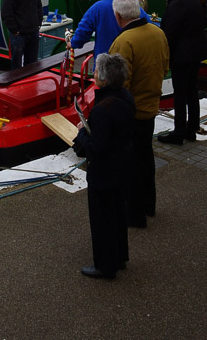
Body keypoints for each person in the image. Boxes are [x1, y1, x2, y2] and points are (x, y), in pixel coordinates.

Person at [108, 0, 169, 228]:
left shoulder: (124, 41)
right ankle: (148, 204)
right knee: (145, 158)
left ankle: (134, 215)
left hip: (131, 112)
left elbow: (119, 85)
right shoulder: (158, 32)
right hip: (150, 107)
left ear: (118, 15)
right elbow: (164, 67)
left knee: (129, 164)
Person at [72, 53, 135, 279]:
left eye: (97, 71)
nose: (94, 73)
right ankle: (119, 258)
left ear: (106, 80)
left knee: (102, 219)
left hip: (104, 172)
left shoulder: (102, 109)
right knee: (118, 214)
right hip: (123, 166)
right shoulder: (126, 97)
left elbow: (97, 147)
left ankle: (105, 266)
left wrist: (81, 132)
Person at [158, 0, 207, 145]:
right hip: (196, 52)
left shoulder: (177, 4)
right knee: (191, 90)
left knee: (180, 93)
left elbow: (169, 33)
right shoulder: (194, 0)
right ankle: (192, 128)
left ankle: (179, 132)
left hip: (182, 55)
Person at [69, 0, 149, 59]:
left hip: (104, 62)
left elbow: (83, 31)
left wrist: (73, 43)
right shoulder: (134, 7)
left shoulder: (97, 8)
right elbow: (149, 27)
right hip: (129, 59)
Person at [1, 0, 44, 69]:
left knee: (32, 64)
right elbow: (6, 12)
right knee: (17, 66)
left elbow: (38, 5)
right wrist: (15, 30)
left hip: (33, 31)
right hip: (19, 34)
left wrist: (38, 22)